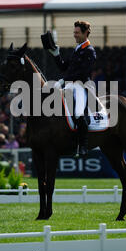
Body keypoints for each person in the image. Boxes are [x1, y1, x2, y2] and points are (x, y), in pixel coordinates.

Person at [44, 20, 97, 157]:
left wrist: (63, 80)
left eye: (77, 33)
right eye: (74, 32)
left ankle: (83, 146)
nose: (75, 35)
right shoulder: (77, 50)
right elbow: (63, 67)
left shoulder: (89, 51)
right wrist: (56, 54)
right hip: (69, 85)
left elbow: (83, 73)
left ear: (86, 33)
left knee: (78, 113)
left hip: (80, 86)